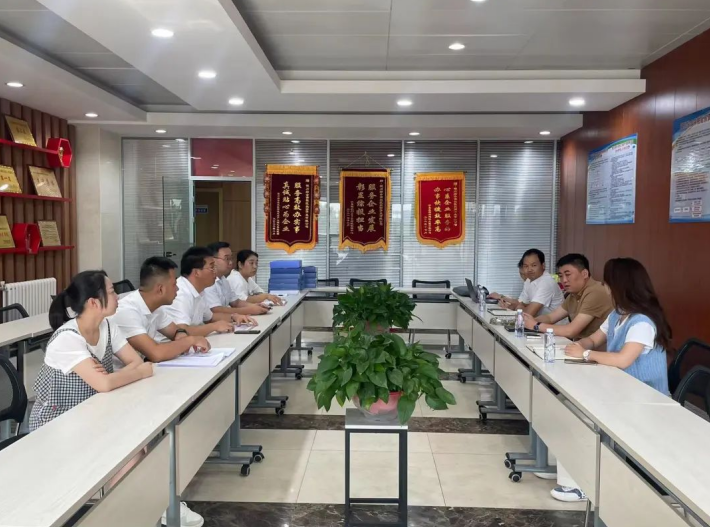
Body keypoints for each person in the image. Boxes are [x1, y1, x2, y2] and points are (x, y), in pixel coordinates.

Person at [547, 257, 673, 504]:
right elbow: (595, 339)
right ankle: (575, 473)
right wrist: (581, 345)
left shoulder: (643, 322)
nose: (605, 288)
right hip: (620, 391)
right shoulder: (618, 315)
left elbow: (624, 359)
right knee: (567, 405)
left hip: (645, 400)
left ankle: (582, 484)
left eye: (607, 283)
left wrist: (585, 354)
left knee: (580, 415)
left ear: (620, 286)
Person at [29, 270, 154, 432]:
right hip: (56, 423)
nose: (117, 297)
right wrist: (140, 373)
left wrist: (110, 378)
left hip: (92, 413)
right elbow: (105, 384)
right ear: (93, 302)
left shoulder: (107, 325)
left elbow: (135, 361)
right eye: (112, 292)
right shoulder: (67, 338)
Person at [113, 257, 214, 364]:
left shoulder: (156, 308)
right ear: (160, 289)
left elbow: (176, 331)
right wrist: (190, 340)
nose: (177, 289)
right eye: (174, 284)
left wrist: (181, 335)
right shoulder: (127, 311)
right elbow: (156, 354)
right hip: (123, 372)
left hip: (143, 368)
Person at [160, 247, 256, 331]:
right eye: (211, 267)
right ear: (197, 272)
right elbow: (183, 330)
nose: (215, 271)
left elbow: (210, 317)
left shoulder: (200, 291)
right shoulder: (180, 293)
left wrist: (234, 317)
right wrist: (214, 327)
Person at [523, 253, 612, 339]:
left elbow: (571, 331)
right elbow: (550, 317)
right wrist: (527, 321)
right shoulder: (574, 294)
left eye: (568, 275)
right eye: (561, 276)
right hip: (579, 345)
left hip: (596, 348)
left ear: (584, 274)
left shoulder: (595, 292)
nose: (564, 280)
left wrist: (535, 325)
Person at [203, 242, 269, 317]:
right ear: (213, 260)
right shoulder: (208, 282)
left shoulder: (224, 280)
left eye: (231, 258)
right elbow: (216, 310)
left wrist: (254, 306)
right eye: (227, 258)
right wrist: (249, 310)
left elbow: (236, 302)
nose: (231, 262)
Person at [493, 249, 564, 316]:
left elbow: (528, 313)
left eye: (534, 265)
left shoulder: (546, 282)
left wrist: (519, 307)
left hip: (553, 324)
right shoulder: (529, 280)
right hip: (536, 321)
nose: (529, 269)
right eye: (526, 266)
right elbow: (521, 303)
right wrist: (507, 305)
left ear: (543, 265)